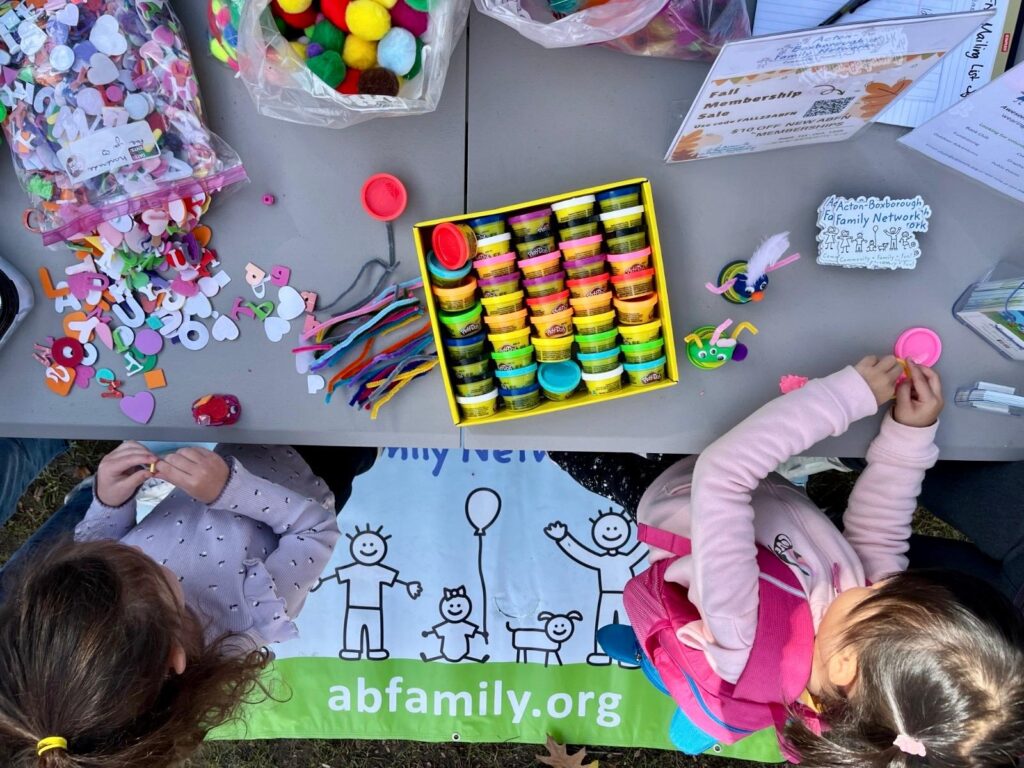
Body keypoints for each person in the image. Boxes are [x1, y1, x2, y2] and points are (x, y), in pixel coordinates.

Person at [575, 357, 1024, 764]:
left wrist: (842, 399)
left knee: (571, 432)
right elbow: (880, 527)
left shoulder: (744, 630)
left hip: (664, 482)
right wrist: (908, 436)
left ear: (846, 664)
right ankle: (658, 662)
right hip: (753, 493)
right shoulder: (871, 639)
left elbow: (722, 476)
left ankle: (656, 660)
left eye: (883, 594)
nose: (882, 580)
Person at [0, 441, 373, 767]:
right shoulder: (253, 616)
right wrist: (230, 489)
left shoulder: (109, 605)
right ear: (173, 658)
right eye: (152, 572)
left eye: (114, 559)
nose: (132, 554)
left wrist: (108, 501)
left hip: (243, 444)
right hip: (316, 464)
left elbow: (98, 539)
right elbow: (314, 528)